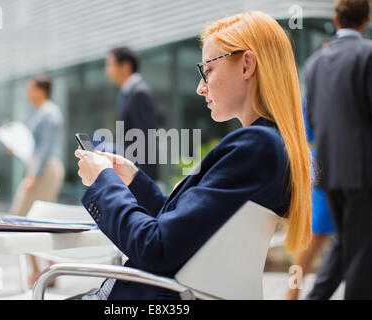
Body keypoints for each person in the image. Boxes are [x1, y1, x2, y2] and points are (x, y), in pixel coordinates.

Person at [73, 11, 312, 300]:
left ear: (247, 64)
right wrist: (133, 180)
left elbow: (155, 247)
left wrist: (103, 180)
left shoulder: (255, 146)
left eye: (207, 71)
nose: (200, 87)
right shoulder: (267, 146)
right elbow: (185, 230)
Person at [305, 0, 372, 300]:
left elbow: (314, 117)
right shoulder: (367, 54)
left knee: (345, 242)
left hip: (328, 166)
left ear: (335, 18)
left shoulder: (315, 61)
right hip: (363, 167)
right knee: (362, 247)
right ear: (367, 20)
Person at [8, 74, 65, 287]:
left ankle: (45, 270)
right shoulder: (44, 112)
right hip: (42, 166)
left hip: (44, 168)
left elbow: (45, 147)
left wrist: (34, 175)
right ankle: (46, 270)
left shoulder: (49, 113)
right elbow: (35, 146)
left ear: (42, 90)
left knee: (22, 217)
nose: (27, 94)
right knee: (35, 218)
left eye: (30, 89)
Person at [284, 99, 335, 300]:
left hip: (333, 167)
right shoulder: (315, 88)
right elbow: (305, 131)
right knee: (312, 238)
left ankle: (292, 293)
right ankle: (292, 292)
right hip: (324, 169)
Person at [105, 47, 158, 180]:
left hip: (137, 174)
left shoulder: (140, 93)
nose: (107, 70)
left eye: (110, 64)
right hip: (128, 172)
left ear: (125, 66)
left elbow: (146, 139)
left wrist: (142, 180)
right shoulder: (126, 94)